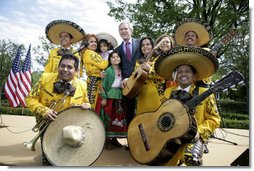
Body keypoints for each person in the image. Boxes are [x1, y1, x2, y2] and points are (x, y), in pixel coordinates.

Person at [154, 46, 221, 166]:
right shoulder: (167, 92)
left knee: (191, 159)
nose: (183, 74)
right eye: (180, 71)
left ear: (194, 76)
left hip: (193, 138)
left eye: (187, 71)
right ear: (176, 75)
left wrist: (198, 132)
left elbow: (214, 119)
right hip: (170, 138)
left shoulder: (205, 94)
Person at [25, 54, 91, 166]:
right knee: (49, 157)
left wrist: (87, 106)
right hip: (47, 125)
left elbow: (87, 102)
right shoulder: (45, 78)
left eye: (70, 67)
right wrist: (44, 111)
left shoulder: (83, 85)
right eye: (62, 66)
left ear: (76, 71)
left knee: (68, 156)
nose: (65, 69)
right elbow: (30, 99)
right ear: (58, 67)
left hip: (71, 127)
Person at [95, 51, 127, 150]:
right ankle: (106, 140)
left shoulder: (123, 70)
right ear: (109, 60)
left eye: (117, 56)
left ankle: (114, 139)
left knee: (116, 118)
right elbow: (103, 86)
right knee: (108, 118)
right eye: (112, 57)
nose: (115, 58)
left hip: (119, 96)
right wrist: (104, 98)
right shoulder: (108, 71)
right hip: (109, 97)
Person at [115, 21, 141, 126]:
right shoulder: (117, 50)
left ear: (131, 30)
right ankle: (131, 137)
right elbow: (116, 68)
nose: (123, 31)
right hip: (126, 85)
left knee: (143, 109)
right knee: (129, 112)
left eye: (125, 28)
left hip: (142, 80)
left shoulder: (141, 43)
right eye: (121, 29)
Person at [80, 34, 108, 109]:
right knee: (92, 105)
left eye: (95, 42)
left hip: (94, 79)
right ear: (86, 43)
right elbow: (103, 65)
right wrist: (110, 56)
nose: (94, 43)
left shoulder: (88, 53)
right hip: (94, 81)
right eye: (91, 42)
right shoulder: (90, 53)